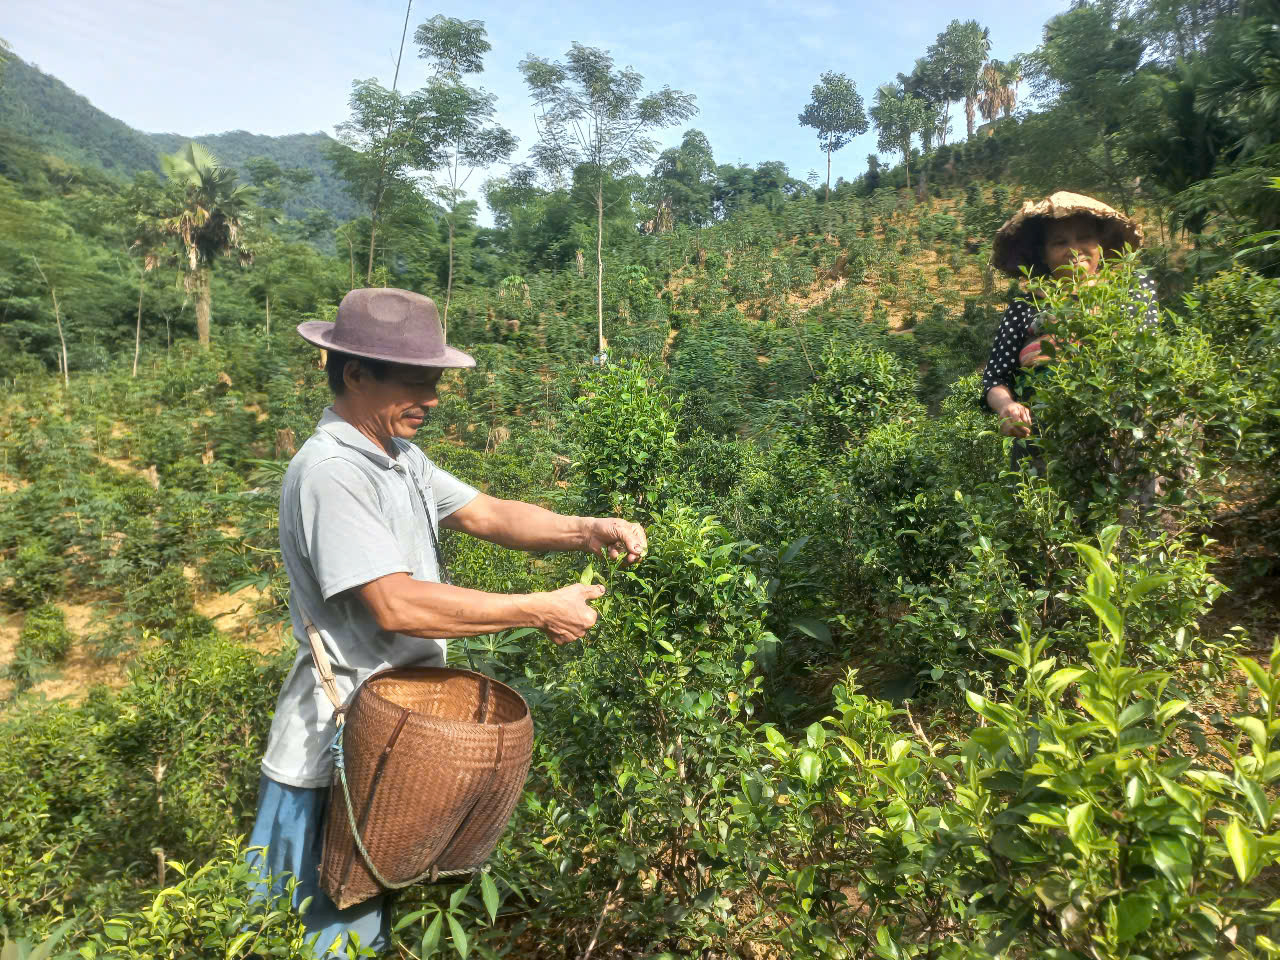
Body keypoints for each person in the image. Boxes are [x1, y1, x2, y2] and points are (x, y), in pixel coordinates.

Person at [247, 287, 648, 958]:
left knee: (361, 924)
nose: (431, 398)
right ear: (355, 374)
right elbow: (394, 603)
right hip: (330, 758)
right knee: (307, 934)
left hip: (388, 744)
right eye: (415, 381)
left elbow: (489, 513)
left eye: (434, 381)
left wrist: (588, 530)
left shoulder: (398, 459)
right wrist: (534, 608)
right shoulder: (333, 471)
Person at [981, 191, 1158, 445]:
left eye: (1084, 237)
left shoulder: (1132, 289)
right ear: (1043, 254)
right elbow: (995, 379)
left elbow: (1146, 353)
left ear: (1101, 244)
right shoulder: (1024, 307)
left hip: (1123, 434)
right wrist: (1007, 406)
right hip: (1047, 442)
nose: (1074, 250)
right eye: (1059, 242)